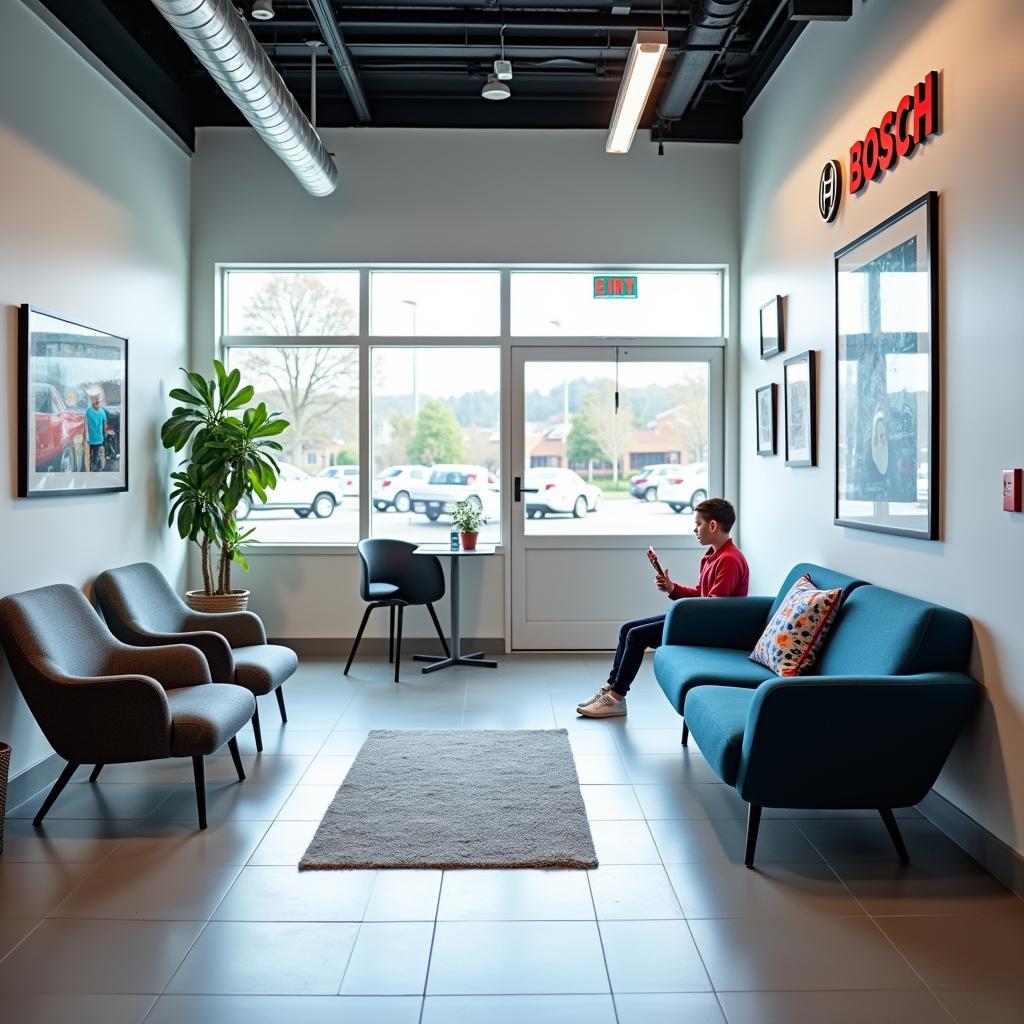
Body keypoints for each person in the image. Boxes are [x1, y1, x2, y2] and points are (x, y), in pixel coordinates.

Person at [577, 497, 749, 719]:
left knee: (637, 636)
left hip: (710, 630)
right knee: (626, 629)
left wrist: (679, 615)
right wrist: (672, 588)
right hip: (700, 620)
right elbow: (702, 594)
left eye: (698, 524)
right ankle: (610, 688)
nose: (695, 529)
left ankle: (617, 698)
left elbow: (713, 608)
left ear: (713, 526)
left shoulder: (730, 560)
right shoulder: (712, 557)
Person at [84, 391, 108, 472]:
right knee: (94, 458)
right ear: (91, 399)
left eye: (98, 399)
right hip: (90, 441)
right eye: (95, 399)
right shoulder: (88, 411)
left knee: (96, 458)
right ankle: (95, 470)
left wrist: (105, 436)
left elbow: (105, 426)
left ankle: (96, 471)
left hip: (98, 440)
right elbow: (85, 426)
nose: (97, 401)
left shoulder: (102, 412)